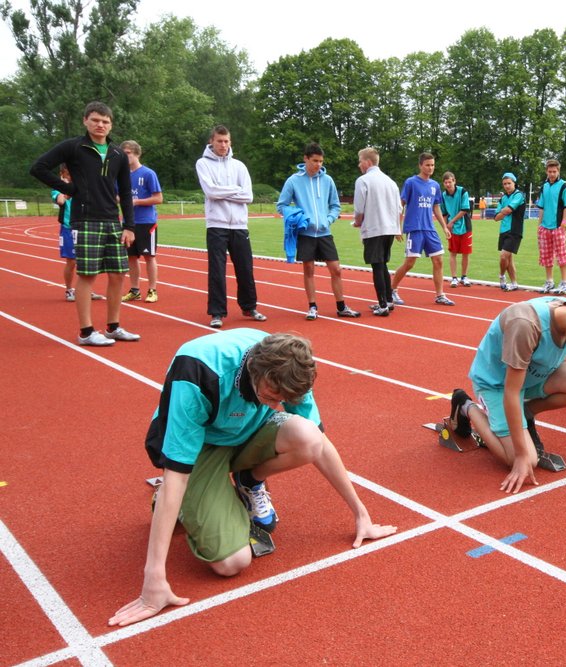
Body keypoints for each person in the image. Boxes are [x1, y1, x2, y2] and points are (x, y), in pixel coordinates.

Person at [107, 329, 397, 627]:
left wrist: (361, 514)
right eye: (270, 396)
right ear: (253, 369)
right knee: (232, 563)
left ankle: (249, 479)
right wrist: (153, 579)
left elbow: (320, 443)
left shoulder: (291, 366)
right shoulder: (197, 372)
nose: (275, 405)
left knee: (308, 437)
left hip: (247, 432)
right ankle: (178, 503)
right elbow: (177, 475)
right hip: (202, 446)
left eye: (282, 400)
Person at [450, 298, 566, 494]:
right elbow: (512, 392)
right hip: (496, 384)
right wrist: (521, 456)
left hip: (533, 377)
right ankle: (466, 406)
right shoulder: (526, 326)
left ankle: (526, 412)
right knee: (524, 460)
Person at [30, 101, 140, 346]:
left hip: (112, 220)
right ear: (85, 121)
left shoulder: (118, 154)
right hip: (85, 219)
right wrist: (69, 189)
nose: (100, 125)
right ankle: (86, 332)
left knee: (118, 275)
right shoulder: (73, 147)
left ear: (111, 125)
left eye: (105, 121)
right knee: (87, 275)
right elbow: (38, 168)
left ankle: (113, 327)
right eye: (95, 120)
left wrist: (129, 226)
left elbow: (125, 191)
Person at [277, 143, 361, 321]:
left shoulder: (327, 180)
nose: (318, 165)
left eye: (321, 161)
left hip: (324, 233)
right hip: (305, 233)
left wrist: (328, 220)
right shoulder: (293, 181)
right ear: (306, 159)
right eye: (315, 161)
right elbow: (281, 205)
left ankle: (341, 307)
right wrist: (298, 217)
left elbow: (335, 206)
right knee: (309, 270)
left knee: (336, 269)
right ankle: (312, 307)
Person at [196, 125, 266, 329]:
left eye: (226, 141)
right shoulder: (202, 163)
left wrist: (224, 192)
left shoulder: (239, 166)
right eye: (219, 141)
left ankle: (249, 307)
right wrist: (236, 190)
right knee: (217, 270)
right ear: (212, 141)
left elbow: (248, 196)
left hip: (239, 225)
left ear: (230, 142)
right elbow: (210, 192)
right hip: (216, 224)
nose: (223, 145)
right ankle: (217, 312)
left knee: (245, 268)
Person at [389, 152, 453, 306]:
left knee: (438, 260)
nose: (430, 168)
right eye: (427, 165)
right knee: (410, 262)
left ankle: (440, 295)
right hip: (414, 228)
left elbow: (436, 207)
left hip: (429, 229)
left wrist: (444, 227)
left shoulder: (435, 185)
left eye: (432, 165)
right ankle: (392, 289)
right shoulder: (411, 182)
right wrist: (397, 227)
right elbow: (401, 205)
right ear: (420, 165)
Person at [352, 147, 401, 317]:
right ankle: (388, 300)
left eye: (360, 161)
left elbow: (359, 208)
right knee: (383, 264)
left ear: (367, 162)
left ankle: (383, 305)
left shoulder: (363, 180)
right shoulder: (391, 182)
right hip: (390, 229)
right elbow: (399, 208)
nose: (359, 165)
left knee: (377, 265)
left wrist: (357, 222)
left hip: (374, 228)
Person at [51, 164, 105, 302]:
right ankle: (69, 290)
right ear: (62, 174)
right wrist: (66, 187)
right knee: (72, 261)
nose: (71, 177)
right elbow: (61, 201)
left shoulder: (82, 185)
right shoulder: (58, 188)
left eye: (73, 174)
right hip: (68, 227)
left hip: (85, 226)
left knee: (88, 261)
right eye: (68, 174)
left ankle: (86, 290)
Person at [120, 140, 163, 304]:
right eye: (123, 154)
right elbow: (117, 195)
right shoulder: (121, 175)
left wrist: (136, 201)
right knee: (131, 257)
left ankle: (152, 290)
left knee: (149, 256)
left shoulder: (148, 173)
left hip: (146, 222)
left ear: (137, 153)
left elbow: (158, 198)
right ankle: (134, 290)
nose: (125, 157)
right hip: (128, 222)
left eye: (128, 153)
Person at [535, 158, 566, 294]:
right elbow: (541, 207)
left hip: (558, 226)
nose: (552, 174)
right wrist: (539, 225)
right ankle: (549, 281)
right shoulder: (544, 186)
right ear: (546, 171)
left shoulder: (564, 187)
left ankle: (564, 282)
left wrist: (564, 222)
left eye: (554, 171)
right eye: (550, 171)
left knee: (561, 255)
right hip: (545, 227)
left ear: (558, 171)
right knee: (546, 255)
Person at [494, 172, 526, 292]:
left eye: (509, 183)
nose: (507, 186)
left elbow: (508, 210)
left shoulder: (519, 195)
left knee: (503, 256)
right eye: (504, 184)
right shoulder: (503, 198)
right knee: (509, 258)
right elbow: (496, 217)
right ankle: (514, 283)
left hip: (515, 230)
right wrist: (505, 211)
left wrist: (503, 211)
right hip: (503, 230)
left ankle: (502, 276)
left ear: (514, 183)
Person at [441, 171, 473, 288]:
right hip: (452, 228)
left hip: (465, 226)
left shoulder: (462, 191)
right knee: (453, 253)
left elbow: (464, 209)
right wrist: (446, 228)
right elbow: (444, 213)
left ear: (454, 181)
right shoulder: (443, 195)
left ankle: (464, 276)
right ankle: (454, 278)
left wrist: (452, 222)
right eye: (446, 182)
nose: (448, 184)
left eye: (450, 182)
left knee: (466, 253)